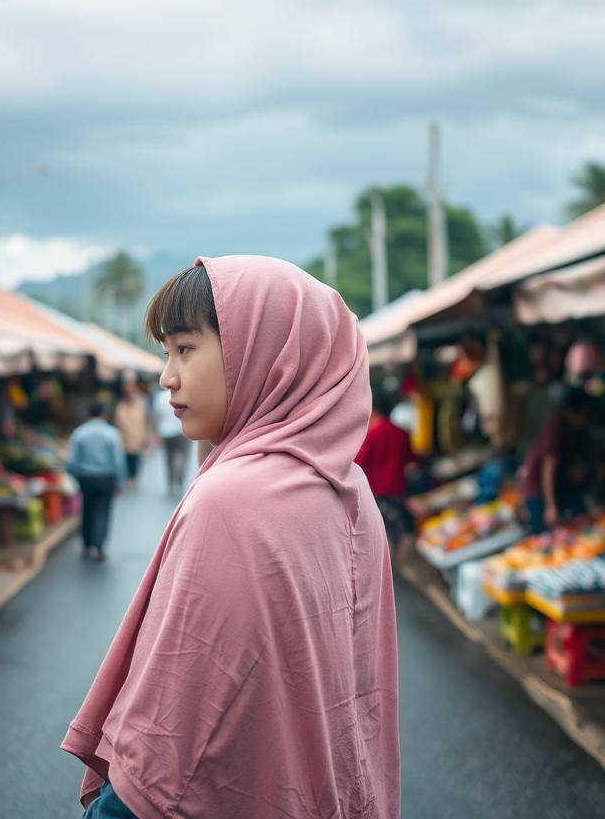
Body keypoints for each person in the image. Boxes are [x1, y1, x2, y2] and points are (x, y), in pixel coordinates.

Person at [62, 257, 400, 819]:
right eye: (165, 352)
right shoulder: (349, 488)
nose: (166, 376)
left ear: (267, 353)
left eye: (186, 349)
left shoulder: (234, 501)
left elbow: (172, 745)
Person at [355, 387, 415, 569]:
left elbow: (359, 464)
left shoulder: (370, 434)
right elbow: (411, 459)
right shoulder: (400, 432)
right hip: (398, 488)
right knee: (396, 528)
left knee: (383, 531)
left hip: (377, 492)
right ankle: (396, 563)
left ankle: (387, 567)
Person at [517, 387, 592, 533]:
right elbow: (548, 471)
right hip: (536, 487)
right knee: (542, 532)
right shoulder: (555, 429)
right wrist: (551, 507)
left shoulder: (573, 429)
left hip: (558, 483)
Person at [67, 401, 126, 561]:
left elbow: (72, 461)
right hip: (106, 477)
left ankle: (87, 545)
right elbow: (118, 461)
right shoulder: (112, 433)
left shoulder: (79, 433)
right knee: (102, 511)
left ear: (88, 414)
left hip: (85, 478)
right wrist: (120, 482)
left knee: (86, 510)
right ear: (104, 415)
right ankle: (98, 546)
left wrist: (74, 478)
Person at [112, 379, 150, 488]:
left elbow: (145, 420)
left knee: (135, 458)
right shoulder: (121, 406)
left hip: (138, 436)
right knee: (125, 458)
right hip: (124, 437)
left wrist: (146, 435)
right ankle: (127, 477)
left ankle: (132, 477)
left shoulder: (141, 404)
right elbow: (117, 421)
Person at [152, 384, 190, 494]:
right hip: (183, 432)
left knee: (169, 459)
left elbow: (156, 416)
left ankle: (171, 482)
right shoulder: (184, 395)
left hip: (166, 433)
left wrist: (155, 433)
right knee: (183, 457)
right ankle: (180, 478)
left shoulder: (160, 397)